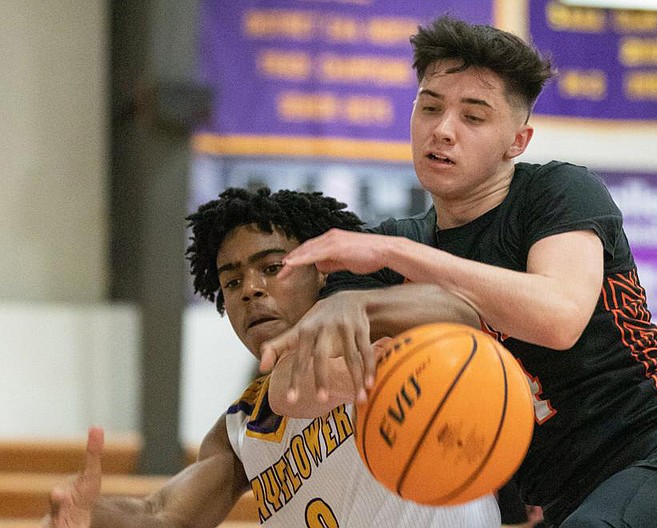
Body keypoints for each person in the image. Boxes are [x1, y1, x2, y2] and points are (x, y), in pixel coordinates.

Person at [260, 16, 657, 528]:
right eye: (429, 107)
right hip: (562, 503)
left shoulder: (556, 191)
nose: (443, 129)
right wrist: (401, 360)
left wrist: (397, 256)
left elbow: (557, 317)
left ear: (517, 141)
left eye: (473, 117)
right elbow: (288, 393)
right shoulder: (390, 247)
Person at [44, 187, 502, 527]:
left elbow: (465, 314)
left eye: (271, 267)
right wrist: (88, 516)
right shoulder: (240, 428)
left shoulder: (379, 331)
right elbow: (163, 515)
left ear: (322, 272)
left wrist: (358, 305)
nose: (251, 291)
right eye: (232, 282)